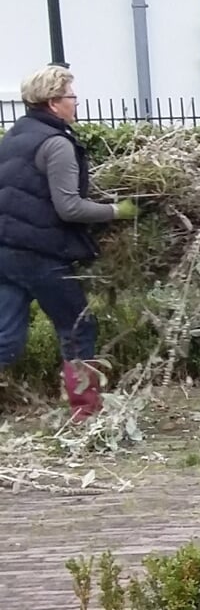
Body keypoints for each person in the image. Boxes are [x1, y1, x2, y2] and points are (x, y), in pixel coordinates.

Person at [0, 66, 138, 420]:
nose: (76, 103)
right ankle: (86, 415)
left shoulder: (12, 138)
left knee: (6, 339)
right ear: (53, 102)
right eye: (72, 97)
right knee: (78, 328)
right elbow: (70, 207)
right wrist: (118, 210)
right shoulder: (56, 143)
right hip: (42, 254)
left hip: (6, 251)